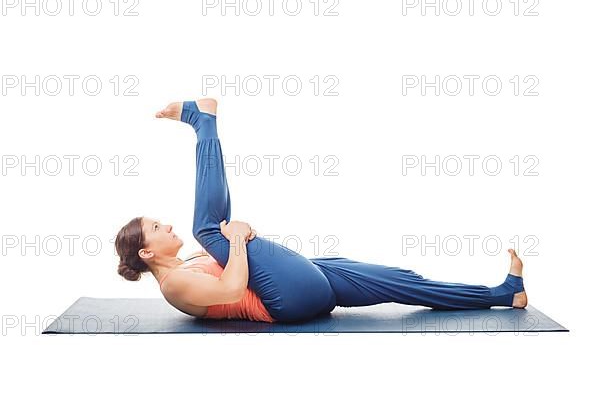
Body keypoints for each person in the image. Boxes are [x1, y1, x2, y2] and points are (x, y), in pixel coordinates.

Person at [115, 98, 527, 324]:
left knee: (402, 282)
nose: (165, 224)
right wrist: (236, 240)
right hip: (288, 304)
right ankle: (202, 120)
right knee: (210, 229)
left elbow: (244, 263)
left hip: (310, 280)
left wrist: (236, 241)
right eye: (156, 227)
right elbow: (231, 291)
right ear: (147, 252)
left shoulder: (187, 263)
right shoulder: (174, 286)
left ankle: (503, 294)